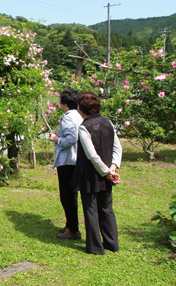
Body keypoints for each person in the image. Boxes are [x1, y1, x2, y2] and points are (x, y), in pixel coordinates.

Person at [70, 91, 122, 255]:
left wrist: (107, 171)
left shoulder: (84, 127)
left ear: (81, 109)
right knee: (107, 208)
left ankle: (94, 246)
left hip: (90, 176)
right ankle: (111, 243)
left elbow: (91, 155)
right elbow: (117, 147)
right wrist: (112, 167)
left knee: (91, 209)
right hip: (106, 174)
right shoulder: (108, 122)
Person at [49, 89, 83, 240]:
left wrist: (57, 140)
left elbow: (72, 138)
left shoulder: (68, 117)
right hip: (75, 160)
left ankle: (74, 230)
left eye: (60, 101)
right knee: (71, 195)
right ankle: (70, 224)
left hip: (68, 161)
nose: (59, 104)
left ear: (65, 103)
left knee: (67, 196)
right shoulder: (78, 116)